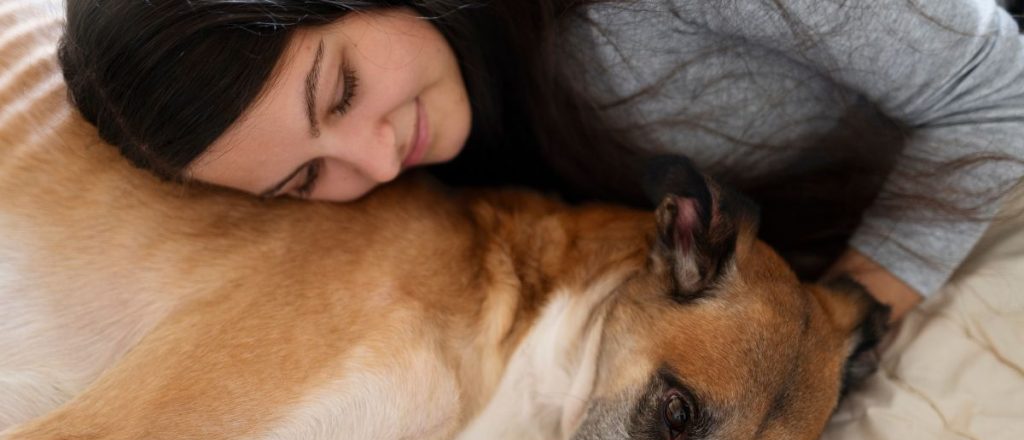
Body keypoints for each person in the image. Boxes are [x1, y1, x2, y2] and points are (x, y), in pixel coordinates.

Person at [58, 0, 1024, 321]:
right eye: (305, 177)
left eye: (341, 90)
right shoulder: (467, 139)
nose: (375, 156)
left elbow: (998, 83)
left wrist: (839, 325)